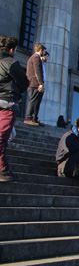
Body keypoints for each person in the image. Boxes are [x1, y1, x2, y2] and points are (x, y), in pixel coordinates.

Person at [0, 36, 29, 182]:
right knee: (2, 137)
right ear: (12, 49)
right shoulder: (11, 63)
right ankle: (2, 169)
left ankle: (3, 168)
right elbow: (24, 82)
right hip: (7, 103)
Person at [24, 43, 46, 126]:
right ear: (40, 50)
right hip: (34, 83)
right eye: (44, 51)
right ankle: (29, 117)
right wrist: (41, 83)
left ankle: (34, 118)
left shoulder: (32, 58)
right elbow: (38, 71)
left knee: (36, 101)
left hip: (33, 83)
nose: (44, 53)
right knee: (33, 100)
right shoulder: (36, 58)